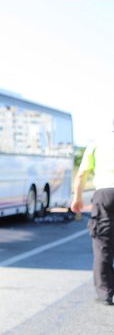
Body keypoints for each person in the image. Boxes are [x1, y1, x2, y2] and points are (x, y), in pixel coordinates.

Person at [71, 118, 114, 306]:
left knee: (102, 244)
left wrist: (77, 198)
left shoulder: (97, 144)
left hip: (105, 194)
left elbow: (81, 174)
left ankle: (105, 293)